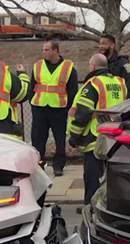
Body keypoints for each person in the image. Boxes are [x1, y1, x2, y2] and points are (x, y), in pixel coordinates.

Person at [67, 54, 126, 210]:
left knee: (93, 176)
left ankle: (91, 208)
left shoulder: (93, 84)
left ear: (92, 66)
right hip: (116, 137)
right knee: (111, 176)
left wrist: (75, 136)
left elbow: (82, 114)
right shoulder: (119, 83)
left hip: (96, 138)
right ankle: (110, 206)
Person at [29, 40, 78, 177]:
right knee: (38, 140)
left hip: (59, 109)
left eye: (46, 50)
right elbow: (32, 87)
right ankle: (39, 165)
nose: (43, 52)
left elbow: (72, 90)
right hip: (40, 108)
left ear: (55, 51)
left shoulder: (68, 68)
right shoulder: (37, 66)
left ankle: (59, 165)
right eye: (43, 50)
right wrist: (33, 103)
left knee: (59, 140)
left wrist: (66, 107)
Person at [98, 34, 130, 98]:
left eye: (104, 44)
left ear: (112, 45)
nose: (100, 46)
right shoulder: (100, 63)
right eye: (100, 44)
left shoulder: (123, 64)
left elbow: (129, 89)